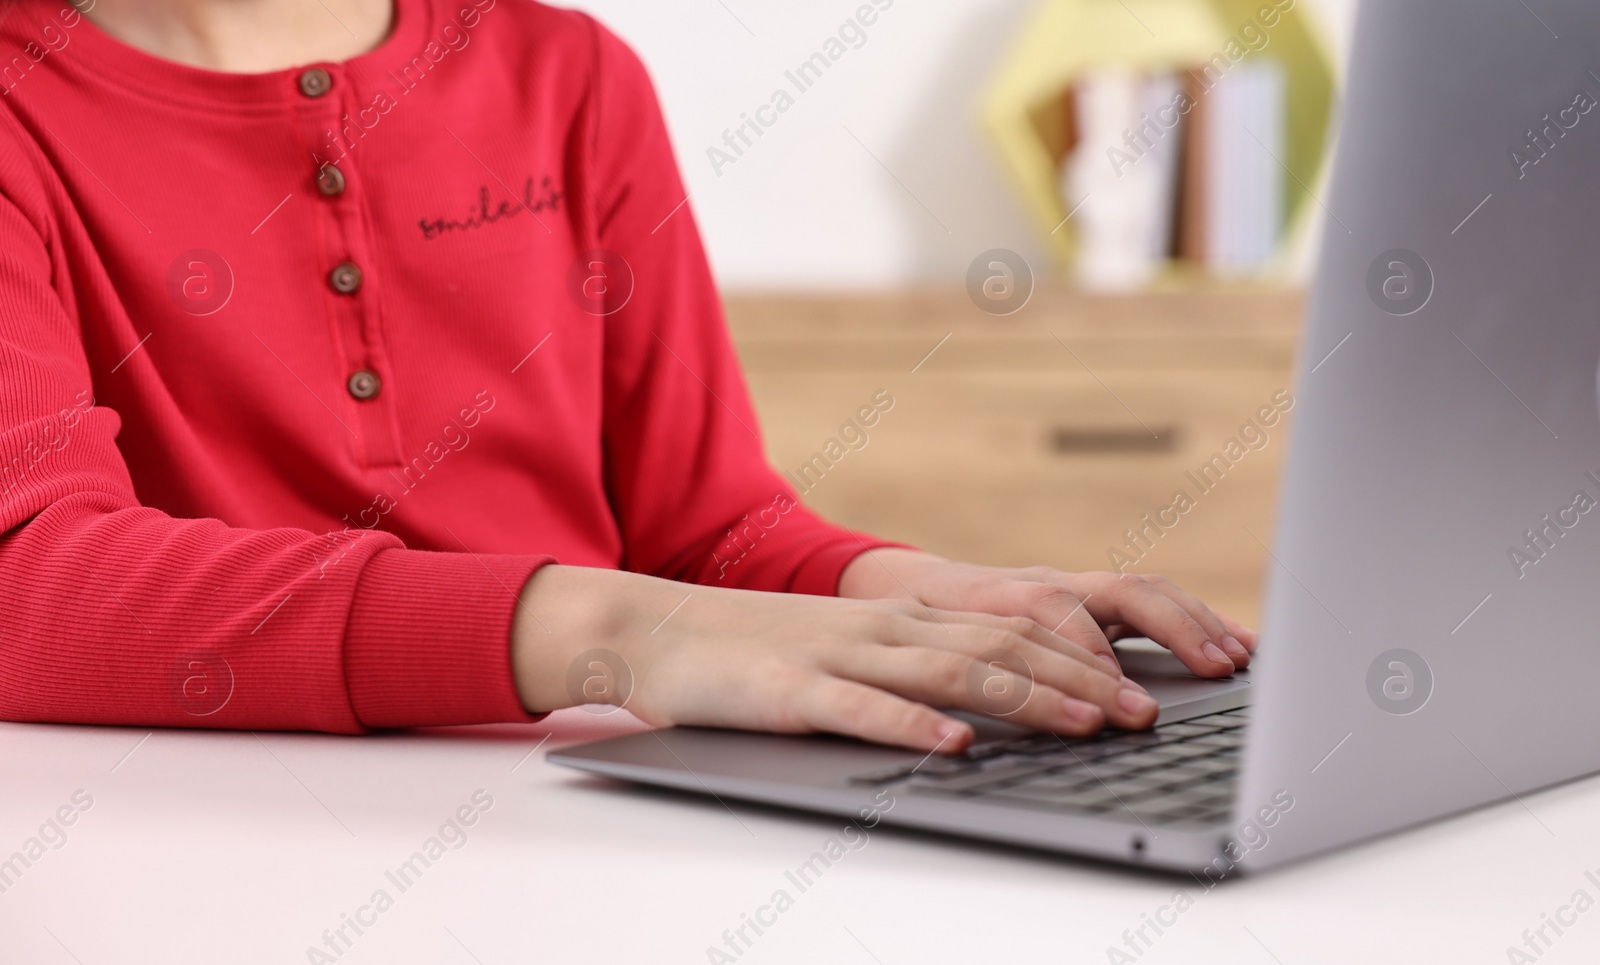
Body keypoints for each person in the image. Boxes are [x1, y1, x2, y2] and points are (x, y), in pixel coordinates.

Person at [0, 0, 1254, 754]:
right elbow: (28, 579)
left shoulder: (570, 78)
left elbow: (708, 526)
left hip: (605, 809)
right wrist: (613, 631)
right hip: (211, 845)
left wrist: (920, 594)